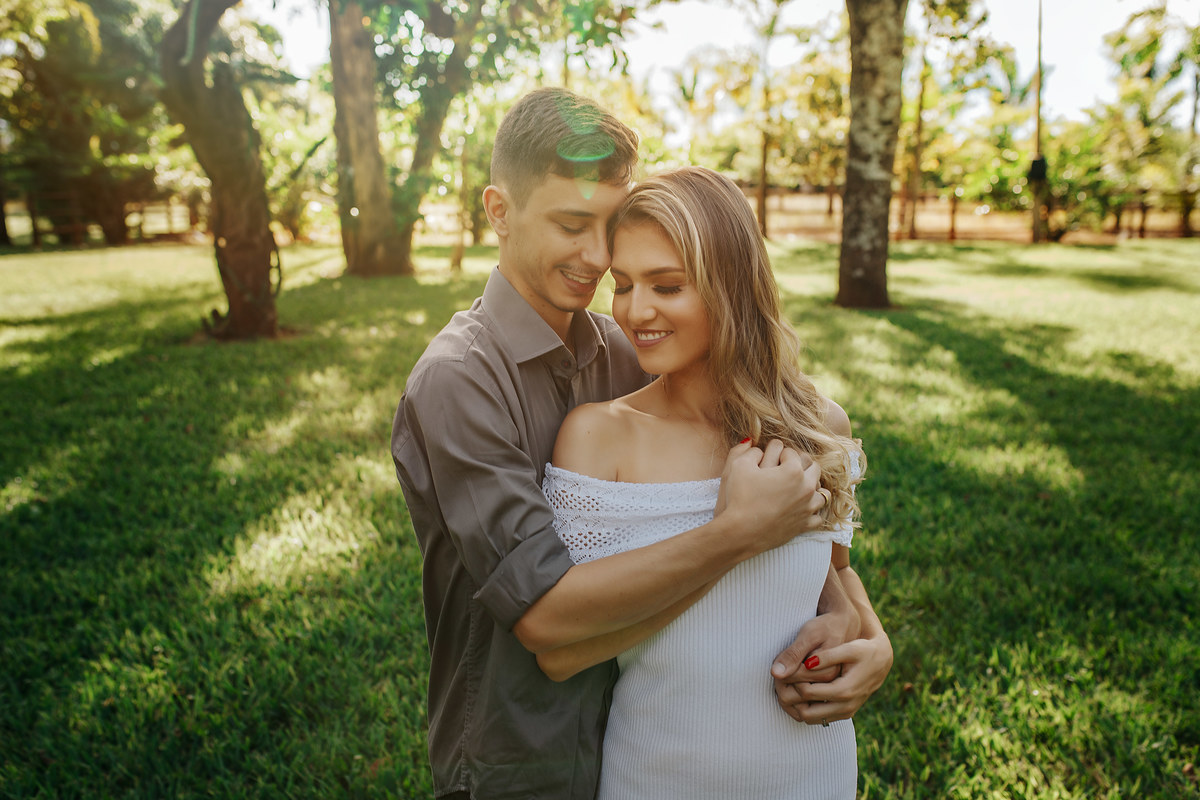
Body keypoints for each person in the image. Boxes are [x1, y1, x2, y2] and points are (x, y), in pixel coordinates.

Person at [391, 87, 892, 800]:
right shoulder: (459, 381)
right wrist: (739, 532)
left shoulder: (634, 350)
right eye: (572, 224)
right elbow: (545, 617)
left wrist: (865, 632)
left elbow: (819, 565)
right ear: (498, 211)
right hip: (521, 755)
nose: (598, 261)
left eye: (609, 228)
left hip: (637, 731)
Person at [538, 165, 878, 798]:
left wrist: (871, 641)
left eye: (667, 286)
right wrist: (735, 532)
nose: (636, 311)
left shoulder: (818, 426)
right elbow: (563, 646)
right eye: (624, 284)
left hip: (812, 770)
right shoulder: (599, 437)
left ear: (731, 287)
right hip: (659, 774)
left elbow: (834, 575)